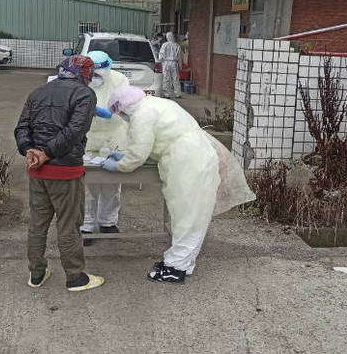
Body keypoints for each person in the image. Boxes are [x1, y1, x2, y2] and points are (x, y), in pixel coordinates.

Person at [103, 85, 256, 283]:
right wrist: (126, 155)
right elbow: (158, 140)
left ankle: (175, 268)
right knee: (191, 214)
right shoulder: (158, 103)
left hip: (188, 162)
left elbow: (138, 154)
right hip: (196, 156)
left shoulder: (142, 115)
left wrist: (120, 164)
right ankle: (183, 263)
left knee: (188, 217)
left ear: (123, 108)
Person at [15, 55, 105, 292]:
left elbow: (22, 127)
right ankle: (75, 277)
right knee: (68, 225)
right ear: (83, 74)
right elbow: (75, 131)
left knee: (37, 224)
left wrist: (30, 151)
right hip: (66, 170)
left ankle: (36, 274)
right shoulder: (84, 94)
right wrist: (46, 153)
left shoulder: (38, 92)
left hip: (37, 171)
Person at [80, 50, 130, 242]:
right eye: (92, 74)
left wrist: (109, 111)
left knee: (111, 182)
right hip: (88, 134)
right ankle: (86, 225)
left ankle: (108, 221)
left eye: (100, 74)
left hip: (113, 135)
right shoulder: (80, 79)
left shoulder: (119, 79)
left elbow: (126, 101)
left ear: (108, 69)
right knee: (87, 183)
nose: (95, 78)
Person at [158, 31, 182, 98]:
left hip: (166, 63)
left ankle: (166, 94)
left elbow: (161, 55)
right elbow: (179, 57)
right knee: (175, 78)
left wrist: (161, 62)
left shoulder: (164, 45)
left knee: (166, 78)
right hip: (174, 63)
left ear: (167, 37)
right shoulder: (177, 45)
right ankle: (178, 93)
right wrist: (180, 66)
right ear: (173, 37)